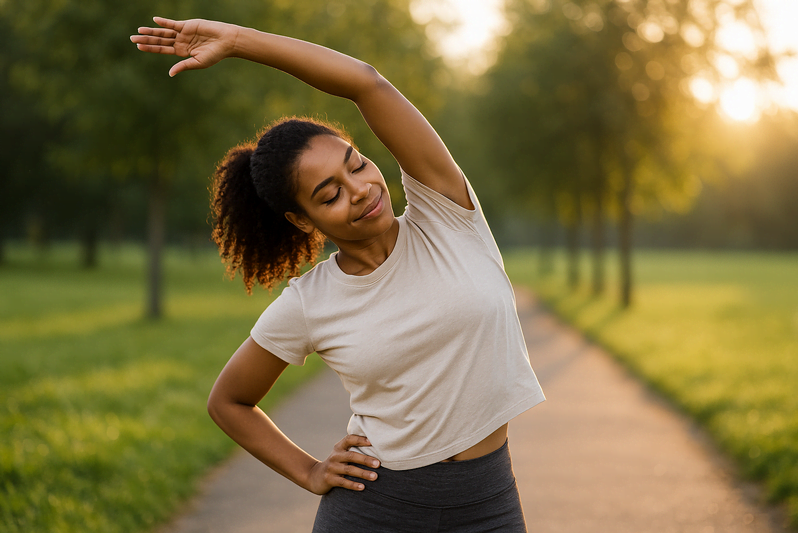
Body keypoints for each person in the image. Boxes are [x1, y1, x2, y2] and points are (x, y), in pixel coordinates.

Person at [131, 16, 545, 532]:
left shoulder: (447, 215)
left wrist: (241, 41)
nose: (360, 189)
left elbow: (366, 83)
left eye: (357, 164)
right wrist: (308, 470)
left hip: (489, 504)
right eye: (328, 194)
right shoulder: (310, 302)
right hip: (375, 509)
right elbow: (229, 402)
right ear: (303, 220)